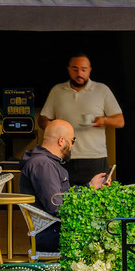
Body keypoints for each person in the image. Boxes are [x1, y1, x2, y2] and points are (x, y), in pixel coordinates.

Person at [22, 117, 109, 252]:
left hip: (54, 229)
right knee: (110, 231)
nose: (73, 145)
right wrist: (88, 210)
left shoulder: (45, 162)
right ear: (61, 140)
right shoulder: (43, 164)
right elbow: (56, 206)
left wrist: (90, 186)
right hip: (52, 233)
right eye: (72, 141)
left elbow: (61, 197)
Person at [39, 55, 123, 188]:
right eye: (75, 69)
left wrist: (102, 120)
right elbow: (42, 119)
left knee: (97, 200)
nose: (79, 73)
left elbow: (120, 121)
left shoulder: (102, 90)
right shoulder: (57, 91)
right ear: (69, 70)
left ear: (90, 70)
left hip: (95, 158)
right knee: (63, 199)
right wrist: (54, 128)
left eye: (83, 69)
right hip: (64, 156)